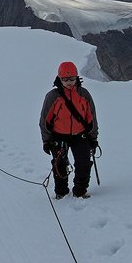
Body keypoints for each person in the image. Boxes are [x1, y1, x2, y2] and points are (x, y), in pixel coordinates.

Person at [39, 61, 99, 199]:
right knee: (59, 165)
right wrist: (46, 140)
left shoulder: (84, 94)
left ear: (77, 77)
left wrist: (93, 138)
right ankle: (61, 192)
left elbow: (91, 118)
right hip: (58, 136)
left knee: (83, 164)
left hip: (80, 136)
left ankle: (80, 191)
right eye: (65, 79)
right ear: (59, 79)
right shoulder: (53, 96)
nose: (69, 82)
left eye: (72, 79)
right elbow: (45, 120)